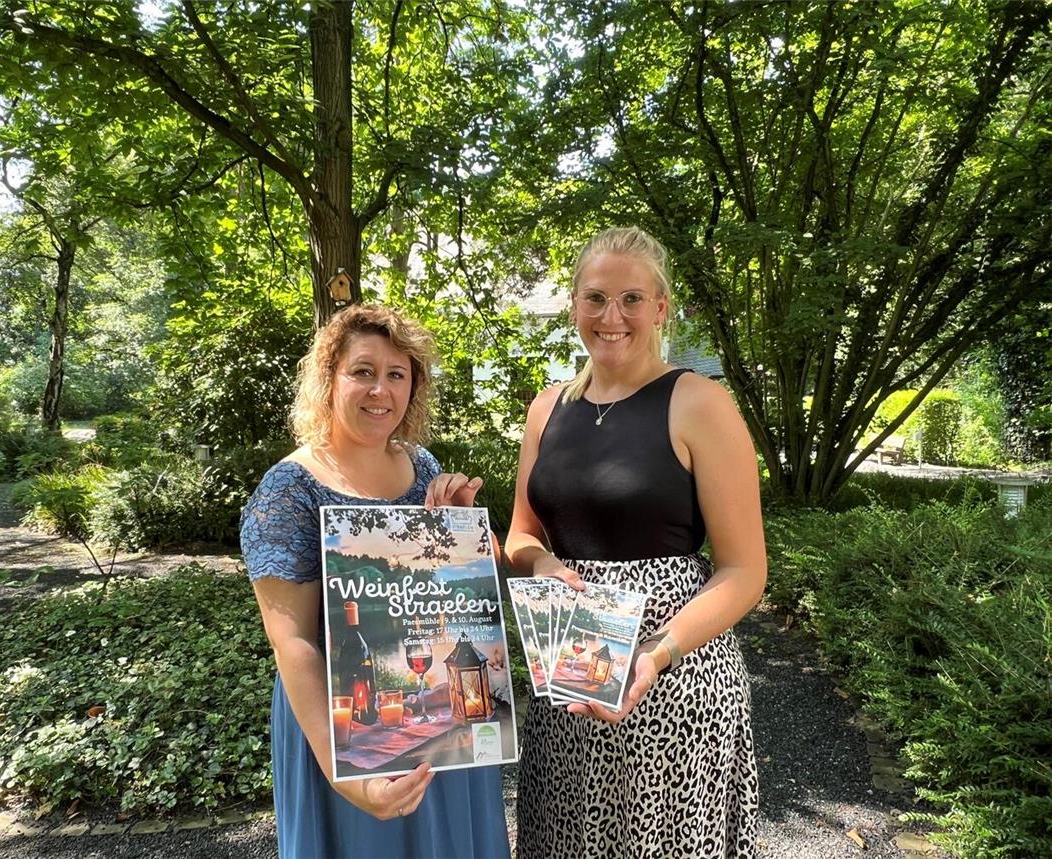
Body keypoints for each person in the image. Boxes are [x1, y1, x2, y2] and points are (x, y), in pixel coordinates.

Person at [506, 227, 765, 858]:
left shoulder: (700, 403)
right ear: (574, 306)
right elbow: (519, 533)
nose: (611, 317)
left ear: (660, 308)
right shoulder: (546, 410)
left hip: (674, 682)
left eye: (630, 299)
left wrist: (655, 653)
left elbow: (744, 570)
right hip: (568, 673)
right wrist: (540, 563)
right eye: (595, 298)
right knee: (565, 838)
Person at [240, 304, 511, 859]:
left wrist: (465, 528)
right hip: (338, 726)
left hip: (441, 727)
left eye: (396, 375)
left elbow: (470, 592)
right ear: (329, 378)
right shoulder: (288, 489)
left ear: (413, 387)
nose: (380, 390)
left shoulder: (425, 465)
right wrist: (343, 774)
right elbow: (290, 639)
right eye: (363, 371)